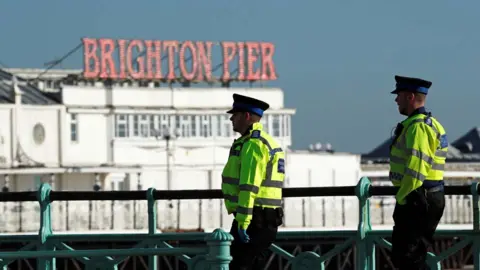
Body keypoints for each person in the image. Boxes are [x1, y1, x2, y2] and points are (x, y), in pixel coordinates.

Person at [389, 75, 448, 269]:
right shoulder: (430, 123)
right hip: (426, 197)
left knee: (408, 258)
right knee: (411, 257)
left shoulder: (418, 128)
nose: (396, 99)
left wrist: (402, 198)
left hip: (418, 198)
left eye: (399, 95)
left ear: (410, 97)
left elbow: (416, 169)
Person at [221, 93, 285, 270]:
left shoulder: (253, 145)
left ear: (247, 116)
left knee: (238, 265)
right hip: (263, 219)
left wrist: (242, 221)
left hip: (254, 220)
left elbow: (249, 186)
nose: (232, 118)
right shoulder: (263, 141)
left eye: (236, 114)